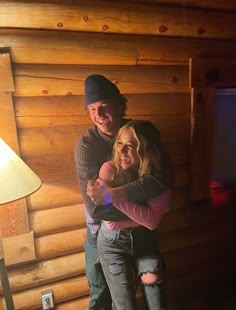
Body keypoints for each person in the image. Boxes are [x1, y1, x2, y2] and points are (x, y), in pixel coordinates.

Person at [74, 74, 173, 310]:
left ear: (119, 105)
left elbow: (162, 178)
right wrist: (144, 212)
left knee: (154, 287)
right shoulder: (86, 146)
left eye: (103, 106)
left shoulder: (141, 134)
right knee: (101, 291)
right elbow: (96, 207)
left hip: (143, 234)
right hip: (102, 232)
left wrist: (113, 194)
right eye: (91, 109)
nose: (98, 115)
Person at [94, 120, 171, 310]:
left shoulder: (158, 177)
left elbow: (152, 222)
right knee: (124, 303)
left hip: (145, 240)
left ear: (146, 149)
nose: (122, 151)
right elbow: (110, 222)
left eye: (131, 145)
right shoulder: (109, 169)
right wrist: (141, 214)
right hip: (113, 243)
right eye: (120, 143)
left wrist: (110, 195)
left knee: (155, 296)